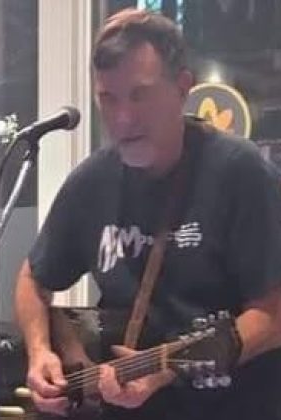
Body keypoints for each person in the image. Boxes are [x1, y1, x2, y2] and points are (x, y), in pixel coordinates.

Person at [15, 8, 281, 420]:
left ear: (182, 87)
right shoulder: (92, 181)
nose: (123, 118)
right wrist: (40, 353)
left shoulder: (239, 173)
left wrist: (167, 368)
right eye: (108, 98)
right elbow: (33, 279)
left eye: (140, 95)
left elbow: (274, 313)